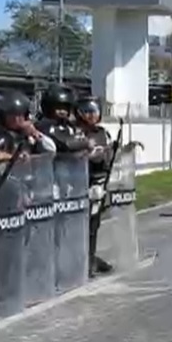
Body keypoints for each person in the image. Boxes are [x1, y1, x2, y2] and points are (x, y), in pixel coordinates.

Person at [73, 97, 116, 275]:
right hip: (80, 182)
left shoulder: (103, 133)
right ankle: (79, 260)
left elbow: (108, 155)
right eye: (87, 111)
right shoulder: (76, 133)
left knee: (94, 223)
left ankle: (91, 257)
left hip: (99, 182)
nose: (92, 115)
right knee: (79, 224)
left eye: (94, 111)